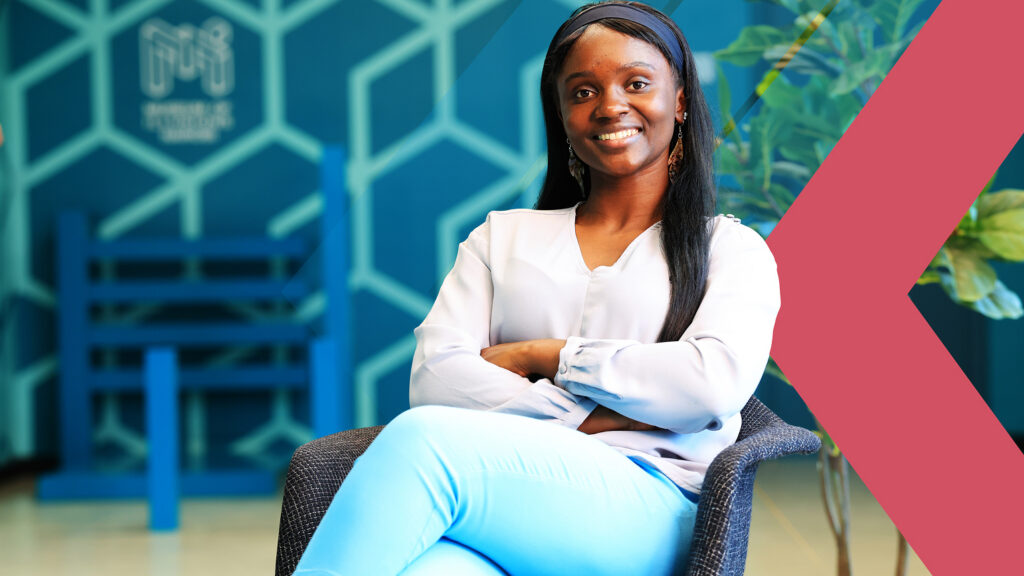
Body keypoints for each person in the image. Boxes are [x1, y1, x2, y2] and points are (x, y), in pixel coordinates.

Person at [293, 2, 780, 575]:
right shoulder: (502, 237)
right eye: (582, 92)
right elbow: (435, 378)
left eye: (637, 82)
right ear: (563, 115)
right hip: (510, 500)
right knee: (433, 569)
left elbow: (708, 387)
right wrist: (597, 414)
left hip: (650, 509)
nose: (610, 105)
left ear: (678, 98)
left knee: (422, 443)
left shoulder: (731, 249)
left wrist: (546, 357)